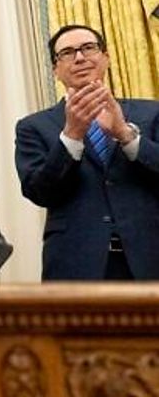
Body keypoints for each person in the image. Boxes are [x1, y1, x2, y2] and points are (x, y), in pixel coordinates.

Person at [15, 24, 159, 280]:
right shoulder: (34, 126)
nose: (80, 57)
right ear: (55, 69)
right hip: (76, 263)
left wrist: (125, 135)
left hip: (149, 256)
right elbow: (38, 191)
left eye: (88, 48)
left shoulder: (151, 113)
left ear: (106, 57)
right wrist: (71, 136)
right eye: (67, 53)